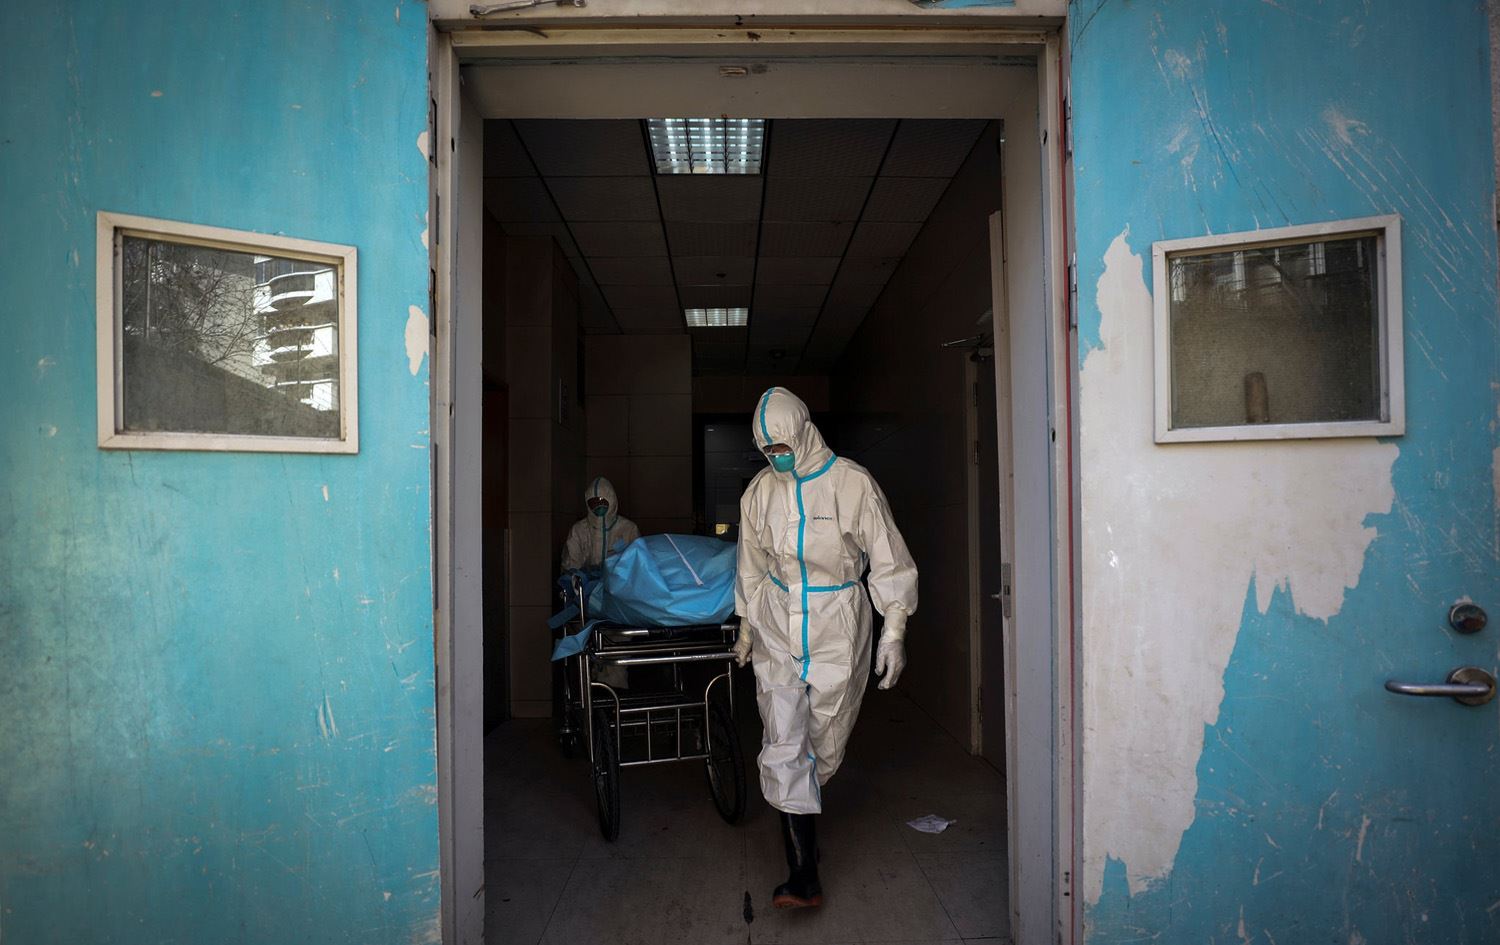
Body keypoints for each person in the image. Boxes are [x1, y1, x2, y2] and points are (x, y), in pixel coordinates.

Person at [731, 387, 918, 910]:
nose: (775, 457)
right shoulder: (759, 493)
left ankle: (804, 827)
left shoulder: (851, 483)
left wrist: (894, 629)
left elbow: (889, 559)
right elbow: (750, 565)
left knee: (825, 738)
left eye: (781, 446)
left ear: (803, 432)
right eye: (767, 449)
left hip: (838, 620)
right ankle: (802, 873)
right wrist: (746, 626)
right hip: (777, 617)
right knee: (783, 736)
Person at [561, 477, 641, 573]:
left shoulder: (628, 529)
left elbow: (638, 563)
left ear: (612, 500)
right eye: (594, 503)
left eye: (602, 502)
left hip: (619, 581)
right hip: (586, 582)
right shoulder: (578, 530)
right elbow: (571, 565)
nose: (598, 507)